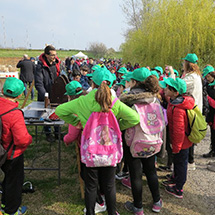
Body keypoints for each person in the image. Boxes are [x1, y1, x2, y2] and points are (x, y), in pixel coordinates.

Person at [55, 67, 140, 215]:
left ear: (92, 83)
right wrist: (117, 127)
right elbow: (135, 118)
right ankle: (112, 212)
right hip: (109, 151)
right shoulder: (114, 103)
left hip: (91, 152)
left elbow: (60, 110)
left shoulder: (83, 101)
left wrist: (77, 122)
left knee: (90, 185)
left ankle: (90, 212)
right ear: (111, 83)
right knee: (109, 185)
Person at [119, 68, 163, 215]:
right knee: (151, 171)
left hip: (133, 143)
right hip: (151, 141)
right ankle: (157, 201)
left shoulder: (127, 100)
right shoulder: (155, 98)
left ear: (134, 82)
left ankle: (138, 207)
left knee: (135, 175)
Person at [0, 77, 32, 215]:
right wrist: (30, 138)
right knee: (14, 182)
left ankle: (4, 203)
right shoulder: (14, 114)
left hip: (1, 150)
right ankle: (11, 211)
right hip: (11, 153)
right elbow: (22, 139)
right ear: (19, 95)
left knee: (7, 179)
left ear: (2, 90)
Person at [34, 45, 61, 142]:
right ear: (46, 55)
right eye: (52, 55)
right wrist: (46, 96)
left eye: (55, 54)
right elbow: (38, 84)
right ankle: (48, 133)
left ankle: (57, 133)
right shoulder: (39, 67)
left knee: (57, 113)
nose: (55, 57)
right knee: (46, 115)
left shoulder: (56, 64)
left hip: (55, 94)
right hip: (45, 95)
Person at [181, 53, 203, 171]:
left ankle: (189, 161)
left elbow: (179, 87)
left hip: (190, 109)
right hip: (194, 108)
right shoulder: (196, 76)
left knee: (188, 135)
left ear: (187, 64)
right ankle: (190, 160)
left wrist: (172, 74)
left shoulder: (191, 78)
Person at [202, 65, 215, 157]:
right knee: (212, 133)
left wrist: (207, 98)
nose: (207, 78)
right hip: (211, 113)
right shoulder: (207, 85)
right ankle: (213, 150)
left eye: (208, 76)